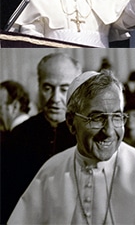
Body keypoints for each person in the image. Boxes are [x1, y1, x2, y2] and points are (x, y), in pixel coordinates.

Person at [9, 71, 135, 225]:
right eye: (97, 118)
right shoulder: (50, 171)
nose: (110, 131)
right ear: (70, 122)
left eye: (117, 117)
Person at [0, 54, 80, 223]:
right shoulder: (18, 136)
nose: (55, 98)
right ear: (38, 85)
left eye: (65, 89)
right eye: (48, 88)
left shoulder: (86, 135)